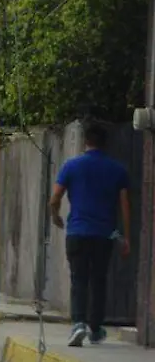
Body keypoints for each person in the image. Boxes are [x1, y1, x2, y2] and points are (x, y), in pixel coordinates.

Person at [49, 122, 131, 347]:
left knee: (79, 279)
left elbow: (55, 198)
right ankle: (95, 328)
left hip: (77, 232)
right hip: (104, 235)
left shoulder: (71, 166)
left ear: (86, 142)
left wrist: (55, 216)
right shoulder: (117, 170)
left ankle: (77, 324)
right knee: (99, 280)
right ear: (105, 144)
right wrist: (126, 237)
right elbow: (124, 205)